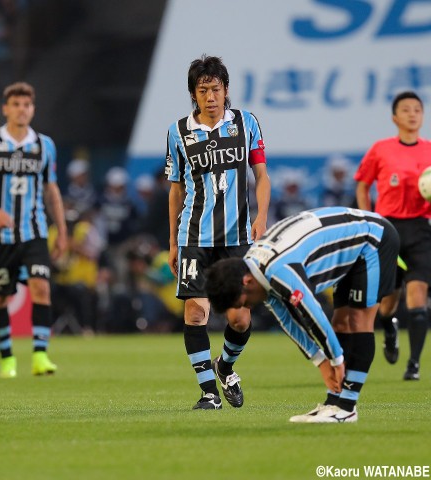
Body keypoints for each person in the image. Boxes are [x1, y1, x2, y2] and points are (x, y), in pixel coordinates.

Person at [205, 207, 399, 423]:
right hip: (351, 244)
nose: (247, 306)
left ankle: (347, 408)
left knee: (358, 320)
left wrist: (335, 360)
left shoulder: (279, 270)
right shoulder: (255, 267)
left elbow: (312, 314)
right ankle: (333, 404)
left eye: (243, 302)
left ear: (246, 282)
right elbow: (288, 320)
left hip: (373, 239)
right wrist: (321, 361)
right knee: (341, 323)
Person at [166, 55, 270, 410]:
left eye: (216, 89)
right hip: (194, 235)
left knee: (240, 317)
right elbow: (176, 189)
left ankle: (225, 366)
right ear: (193, 94)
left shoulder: (246, 123)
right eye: (203, 90)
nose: (210, 96)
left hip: (238, 236)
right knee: (196, 314)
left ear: (227, 91)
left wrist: (262, 217)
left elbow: (262, 175)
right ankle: (209, 392)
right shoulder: (178, 131)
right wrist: (172, 241)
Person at [0, 81, 68, 378]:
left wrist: (62, 231)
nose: (21, 109)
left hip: (35, 232)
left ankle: (40, 356)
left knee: (41, 288)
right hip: (0, 236)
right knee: (0, 297)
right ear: (5, 109)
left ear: (33, 109)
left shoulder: (44, 145)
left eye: (26, 105)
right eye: (16, 104)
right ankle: (7, 359)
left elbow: (52, 190)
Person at [355, 91, 431, 380]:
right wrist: (369, 218)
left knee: (418, 295)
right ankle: (389, 326)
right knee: (388, 302)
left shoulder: (429, 149)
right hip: (389, 229)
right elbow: (362, 185)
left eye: (417, 109)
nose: (413, 114)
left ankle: (413, 365)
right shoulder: (381, 149)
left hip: (421, 229)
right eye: (406, 109)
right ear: (395, 117)